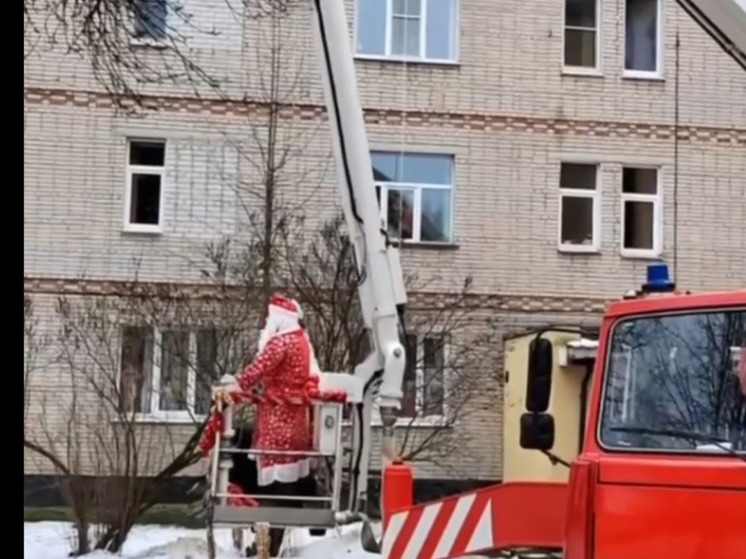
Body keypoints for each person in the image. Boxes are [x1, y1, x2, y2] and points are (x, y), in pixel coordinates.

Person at [214, 294, 315, 486]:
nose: (268, 322)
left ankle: (272, 496)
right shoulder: (301, 340)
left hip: (279, 417)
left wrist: (236, 383)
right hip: (297, 415)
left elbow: (259, 368)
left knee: (275, 461)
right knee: (291, 461)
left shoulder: (280, 342)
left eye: (270, 318)